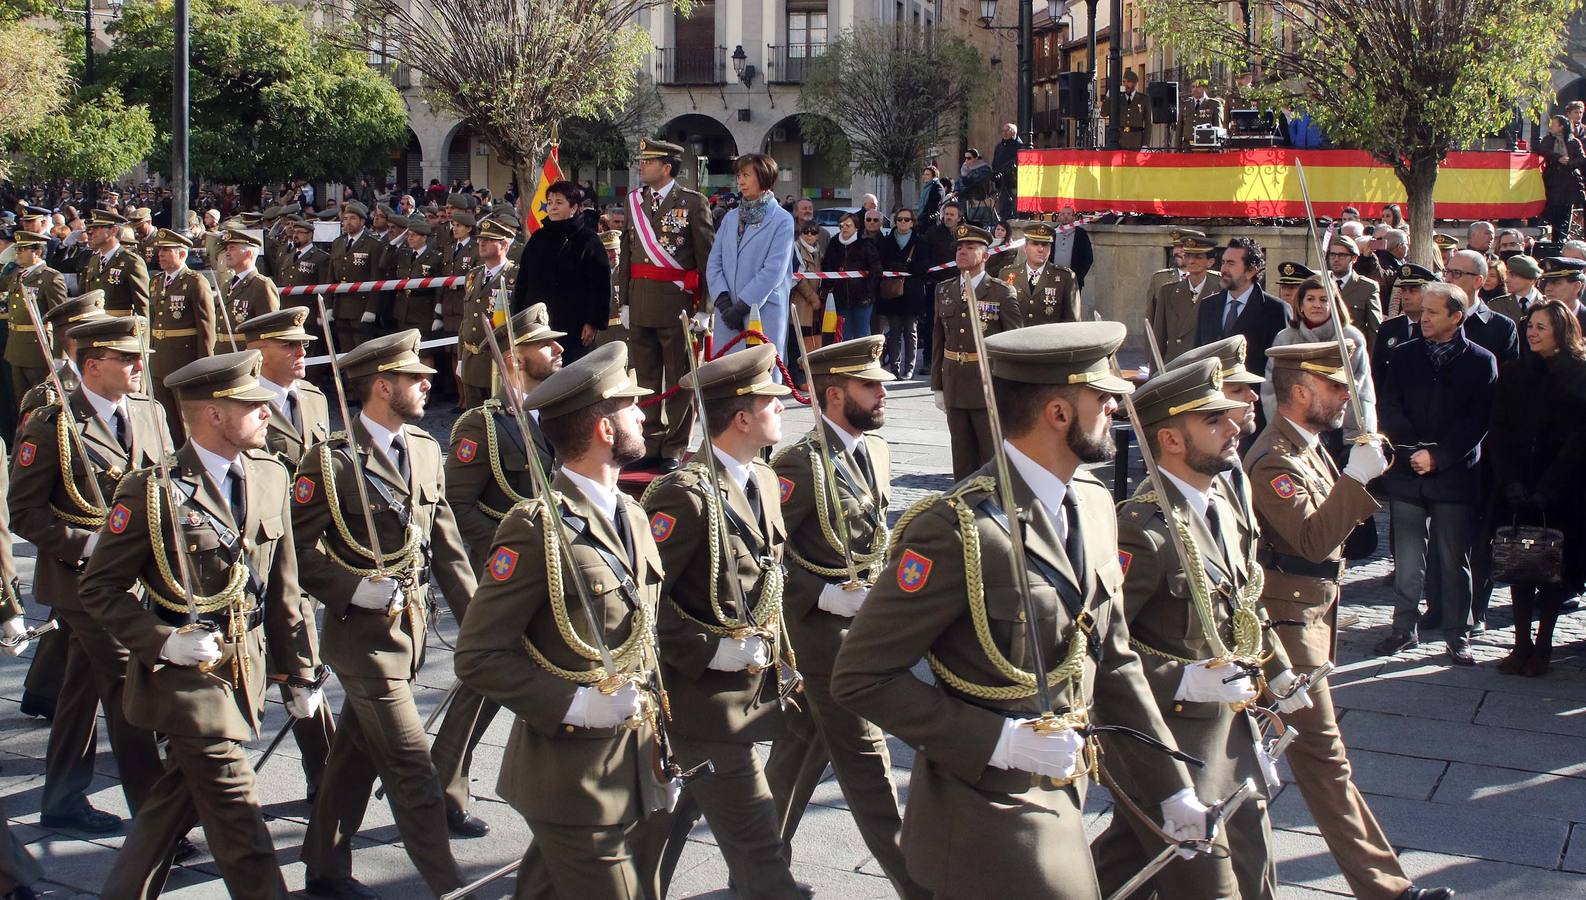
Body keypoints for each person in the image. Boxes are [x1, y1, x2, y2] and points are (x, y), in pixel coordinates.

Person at [833, 321, 1211, 897]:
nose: (1115, 404)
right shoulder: (957, 527)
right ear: (1058, 413)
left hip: (1063, 787)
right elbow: (860, 676)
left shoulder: (1094, 502)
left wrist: (1172, 785)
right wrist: (999, 741)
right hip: (987, 808)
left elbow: (1113, 659)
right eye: (1101, 397)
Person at [79, 349, 321, 899]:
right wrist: (162, 642)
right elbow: (99, 587)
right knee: (240, 819)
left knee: (171, 807)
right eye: (251, 403)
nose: (267, 411)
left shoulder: (270, 475)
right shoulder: (153, 489)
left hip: (248, 668)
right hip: (187, 680)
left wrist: (299, 670)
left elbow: (281, 586)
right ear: (214, 413)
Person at [453, 342, 670, 899]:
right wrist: (574, 704)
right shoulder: (536, 527)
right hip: (572, 777)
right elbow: (478, 655)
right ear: (602, 428)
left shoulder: (632, 514)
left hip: (630, 762)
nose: (644, 414)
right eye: (631, 406)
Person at [1246, 342, 1452, 900]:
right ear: (1301, 390)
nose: (1346, 396)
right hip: (1287, 634)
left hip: (1306, 621)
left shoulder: (1307, 448)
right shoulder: (1273, 459)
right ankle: (1389, 891)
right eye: (1335, 387)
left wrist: (1356, 476)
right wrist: (1356, 480)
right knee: (1323, 763)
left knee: (1242, 767)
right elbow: (1311, 539)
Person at [1093, 359, 1304, 900]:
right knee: (1211, 885)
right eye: (1213, 420)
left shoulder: (1219, 507)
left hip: (1230, 730)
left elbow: (1241, 604)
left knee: (1251, 867)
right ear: (1170, 438)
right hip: (1170, 742)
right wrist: (1183, 681)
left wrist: (1277, 672)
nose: (1235, 424)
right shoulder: (1142, 532)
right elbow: (1094, 650)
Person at [292, 330, 475, 899]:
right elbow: (291, 554)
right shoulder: (331, 460)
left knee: (353, 756)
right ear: (380, 385)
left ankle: (324, 865)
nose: (430, 382)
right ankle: (451, 887)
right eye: (415, 377)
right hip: (362, 640)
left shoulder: (423, 447)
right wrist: (349, 588)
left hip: (411, 632)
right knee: (413, 770)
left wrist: (478, 626)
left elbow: (445, 547)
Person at [761, 336, 923, 899]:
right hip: (820, 638)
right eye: (869, 386)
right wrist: (823, 595)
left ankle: (756, 856)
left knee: (804, 741)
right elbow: (765, 556)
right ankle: (918, 883)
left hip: (866, 629)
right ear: (834, 395)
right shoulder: (796, 465)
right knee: (868, 762)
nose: (884, 393)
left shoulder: (872, 451)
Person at [643, 345, 806, 899]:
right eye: (773, 402)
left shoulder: (762, 479)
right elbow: (641, 604)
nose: (784, 408)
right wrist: (709, 649)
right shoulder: (682, 496)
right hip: (701, 701)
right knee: (759, 844)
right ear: (741, 417)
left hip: (749, 688)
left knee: (669, 820)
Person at [10, 316, 171, 837]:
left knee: (79, 687)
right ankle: (155, 814)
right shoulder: (51, 423)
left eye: (138, 356)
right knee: (130, 683)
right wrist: (90, 542)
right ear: (92, 365)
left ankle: (61, 798)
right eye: (126, 359)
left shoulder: (149, 412)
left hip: (136, 577)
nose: (138, 366)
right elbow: (24, 512)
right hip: (80, 581)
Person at [431, 305, 563, 838]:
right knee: (483, 686)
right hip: (508, 573)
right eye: (545, 344)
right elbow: (457, 506)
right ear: (514, 357)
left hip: (554, 570)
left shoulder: (553, 416)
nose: (558, 349)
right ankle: (441, 789)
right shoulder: (479, 425)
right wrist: (502, 561)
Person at [1374, 283, 1497, 666]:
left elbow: (1478, 421)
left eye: (1433, 312)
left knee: (1453, 557)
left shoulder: (1481, 360)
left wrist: (1439, 457)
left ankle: (1457, 634)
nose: (1423, 318)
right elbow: (1390, 405)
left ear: (1456, 317)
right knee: (1409, 559)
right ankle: (1402, 628)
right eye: (1422, 310)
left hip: (1454, 475)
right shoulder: (1405, 354)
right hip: (1409, 472)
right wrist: (1413, 451)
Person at [240, 308, 336, 797]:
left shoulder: (314, 399)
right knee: (275, 667)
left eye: (304, 344)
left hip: (313, 550)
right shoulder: (243, 405)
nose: (303, 353)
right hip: (265, 553)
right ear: (258, 351)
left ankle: (325, 779)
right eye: (290, 345)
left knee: (304, 665)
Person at [1487, 299, 1586, 677]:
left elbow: (1580, 439)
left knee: (1555, 570)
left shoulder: (1579, 375)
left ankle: (1543, 645)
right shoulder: (1514, 372)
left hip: (1563, 490)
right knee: (1520, 566)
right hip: (1518, 485)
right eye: (1530, 326)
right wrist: (1510, 480)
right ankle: (1520, 644)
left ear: (1561, 331)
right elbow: (1500, 430)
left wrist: (1550, 486)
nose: (1532, 333)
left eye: (1541, 327)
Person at [619, 138, 715, 472]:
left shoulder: (692, 203)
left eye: (648, 162)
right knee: (644, 379)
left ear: (667, 168)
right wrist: (625, 301)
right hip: (641, 301)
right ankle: (650, 442)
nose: (641, 166)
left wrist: (706, 309)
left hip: (678, 306)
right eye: (641, 161)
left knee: (678, 380)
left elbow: (706, 260)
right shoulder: (634, 202)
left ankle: (674, 446)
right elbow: (628, 256)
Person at [930, 224, 1022, 480]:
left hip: (987, 385)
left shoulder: (1001, 292)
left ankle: (993, 508)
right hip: (955, 383)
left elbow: (1013, 343)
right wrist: (937, 385)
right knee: (960, 455)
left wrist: (1009, 388)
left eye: (970, 248)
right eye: (959, 248)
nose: (962, 252)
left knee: (990, 455)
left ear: (985, 256)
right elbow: (938, 338)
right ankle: (962, 508)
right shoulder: (944, 290)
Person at [1262, 276, 1377, 442]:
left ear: (1333, 304)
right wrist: (1281, 429)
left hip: (1340, 430)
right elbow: (1271, 388)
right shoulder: (1285, 339)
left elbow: (1359, 389)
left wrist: (1360, 436)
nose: (1317, 305)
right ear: (1301, 304)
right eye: (1310, 299)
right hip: (1296, 428)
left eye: (1324, 299)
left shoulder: (1351, 339)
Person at [707, 153, 796, 363]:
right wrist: (722, 301)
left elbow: (774, 270)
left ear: (763, 177)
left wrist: (742, 306)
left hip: (762, 312)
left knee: (761, 381)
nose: (741, 181)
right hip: (727, 314)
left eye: (746, 175)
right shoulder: (730, 218)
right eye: (739, 175)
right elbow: (714, 263)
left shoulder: (782, 220)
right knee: (728, 379)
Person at [514, 180, 610, 365]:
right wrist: (518, 318)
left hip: (574, 324)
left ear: (574, 207)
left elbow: (600, 285)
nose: (552, 207)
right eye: (549, 202)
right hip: (538, 323)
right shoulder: (538, 238)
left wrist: (592, 322)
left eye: (559, 202)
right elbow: (523, 281)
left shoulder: (588, 240)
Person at [1196, 237, 1290, 410]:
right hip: (1215, 408)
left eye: (1231, 263)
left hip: (1255, 409)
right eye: (1223, 262)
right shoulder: (1208, 306)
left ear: (1251, 271)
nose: (1223, 269)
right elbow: (1198, 356)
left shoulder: (1276, 310)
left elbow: (1282, 370)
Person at [456, 219, 520, 410]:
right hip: (472, 358)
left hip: (498, 361)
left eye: (489, 240)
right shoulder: (473, 275)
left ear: (504, 244)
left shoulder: (515, 276)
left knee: (499, 419)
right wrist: (460, 357)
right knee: (475, 420)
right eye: (480, 239)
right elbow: (466, 319)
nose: (482, 243)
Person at [2, 230, 69, 396]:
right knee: (21, 402)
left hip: (37, 351)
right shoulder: (17, 274)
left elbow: (61, 319)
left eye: (22, 249)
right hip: (15, 349)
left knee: (38, 401)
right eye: (17, 249)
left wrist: (59, 357)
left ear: (37, 251)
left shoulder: (50, 278)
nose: (17, 253)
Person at [1440, 250, 1520, 364]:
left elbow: (1508, 377)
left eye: (1456, 273)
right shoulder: (1430, 318)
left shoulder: (1502, 327)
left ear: (1478, 281)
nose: (1447, 279)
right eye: (1446, 272)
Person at [877, 206, 929, 379]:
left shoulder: (920, 242)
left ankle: (909, 369)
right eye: (899, 219)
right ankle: (895, 367)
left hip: (912, 293)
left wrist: (906, 268)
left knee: (910, 332)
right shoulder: (886, 240)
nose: (902, 222)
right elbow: (881, 263)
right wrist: (895, 268)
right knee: (894, 333)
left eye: (906, 219)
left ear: (912, 222)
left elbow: (923, 267)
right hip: (892, 293)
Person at [1149, 233, 1217, 361]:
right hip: (1175, 365)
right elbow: (1158, 337)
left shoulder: (1220, 290)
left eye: (1198, 257)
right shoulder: (1167, 291)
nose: (1191, 261)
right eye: (1188, 256)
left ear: (1210, 262)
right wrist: (1155, 375)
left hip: (1206, 365)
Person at [327, 200, 382, 349]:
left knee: (363, 350)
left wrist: (371, 308)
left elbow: (375, 278)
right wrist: (328, 306)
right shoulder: (338, 243)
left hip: (361, 305)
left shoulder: (373, 244)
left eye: (352, 218)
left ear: (362, 221)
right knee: (346, 351)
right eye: (345, 218)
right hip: (340, 305)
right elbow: (331, 276)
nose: (348, 222)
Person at [78, 208, 150, 317]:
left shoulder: (131, 261)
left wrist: (140, 332)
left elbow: (143, 306)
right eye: (91, 228)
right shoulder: (94, 260)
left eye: (97, 228)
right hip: (94, 326)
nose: (91, 232)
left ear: (114, 230)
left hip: (119, 329)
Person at [1003, 222, 1079, 325]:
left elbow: (1072, 322)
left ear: (1050, 248)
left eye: (1045, 245)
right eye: (1035, 243)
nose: (1040, 249)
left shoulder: (1065, 278)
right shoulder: (1007, 274)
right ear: (1025, 247)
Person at [1372, 263, 1434, 388]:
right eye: (1404, 290)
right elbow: (1378, 374)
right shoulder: (1388, 328)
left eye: (1413, 290)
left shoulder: (1436, 329)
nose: (1405, 296)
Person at [821, 212, 881, 339]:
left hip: (862, 298)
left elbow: (876, 270)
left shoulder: (865, 243)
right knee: (844, 335)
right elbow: (827, 266)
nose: (845, 228)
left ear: (856, 227)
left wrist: (867, 290)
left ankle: (862, 359)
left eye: (848, 225)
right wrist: (832, 286)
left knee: (861, 334)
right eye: (842, 225)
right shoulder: (834, 243)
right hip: (841, 298)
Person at [1325, 235, 1384, 354]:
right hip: (1323, 354)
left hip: (1353, 355)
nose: (1336, 259)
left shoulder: (1367, 287)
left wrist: (1371, 363)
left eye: (1342, 255)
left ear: (1354, 258)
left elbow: (1375, 330)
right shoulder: (1320, 283)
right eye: (1332, 254)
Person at [1537, 114, 1583, 242]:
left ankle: (1561, 239)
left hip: (1568, 183)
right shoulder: (1548, 140)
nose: (1551, 126)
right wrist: (1557, 158)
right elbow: (1541, 149)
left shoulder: (1573, 142)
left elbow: (1582, 159)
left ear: (1561, 127)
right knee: (1552, 210)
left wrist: (1569, 162)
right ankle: (1552, 238)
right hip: (1552, 182)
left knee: (1565, 212)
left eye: (1554, 124)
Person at [1051, 206, 1095, 290]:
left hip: (1073, 280)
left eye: (1069, 214)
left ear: (1074, 217)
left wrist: (1078, 275)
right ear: (1058, 217)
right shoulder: (1052, 232)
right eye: (1063, 214)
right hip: (1053, 279)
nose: (1065, 216)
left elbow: (1088, 258)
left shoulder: (1081, 234)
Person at [1492, 253, 1543, 326]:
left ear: (1531, 280)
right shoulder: (1497, 306)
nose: (1507, 280)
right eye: (1507, 274)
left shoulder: (1547, 304)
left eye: (1513, 276)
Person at [991, 123, 1026, 222]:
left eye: (1007, 130)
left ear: (1014, 132)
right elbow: (995, 162)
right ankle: (1004, 225)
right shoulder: (999, 146)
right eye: (1003, 130)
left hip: (1014, 182)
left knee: (1016, 207)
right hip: (1002, 182)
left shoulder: (1020, 146)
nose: (1004, 133)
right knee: (1003, 208)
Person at [1177, 78, 1225, 149]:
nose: (1195, 89)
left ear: (1205, 88)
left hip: (1207, 148)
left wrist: (1217, 148)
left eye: (1198, 87)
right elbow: (1179, 129)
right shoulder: (1185, 104)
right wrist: (1177, 148)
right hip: (1187, 147)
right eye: (1193, 87)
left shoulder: (1214, 104)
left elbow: (1218, 127)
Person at [1117, 69, 1151, 150]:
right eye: (1124, 81)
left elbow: (1148, 123)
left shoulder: (1144, 99)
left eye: (1129, 81)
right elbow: (1104, 113)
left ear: (1135, 83)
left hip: (1136, 142)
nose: (1126, 84)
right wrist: (1109, 96)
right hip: (1121, 141)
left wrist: (1145, 145)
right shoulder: (1119, 98)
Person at [917, 165, 946, 230]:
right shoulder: (927, 187)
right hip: (923, 220)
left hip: (931, 222)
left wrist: (923, 218)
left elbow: (933, 206)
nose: (924, 176)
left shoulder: (937, 187)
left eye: (927, 174)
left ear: (933, 176)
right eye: (924, 174)